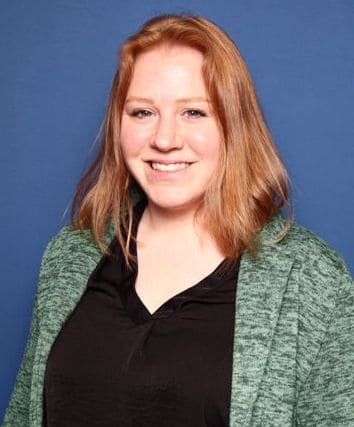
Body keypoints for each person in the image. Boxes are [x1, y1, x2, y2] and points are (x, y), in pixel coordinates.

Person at [2, 14, 353, 427]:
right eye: (142, 112)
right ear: (119, 124)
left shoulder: (310, 279)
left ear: (233, 124)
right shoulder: (70, 255)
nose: (165, 139)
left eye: (193, 112)